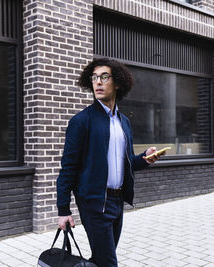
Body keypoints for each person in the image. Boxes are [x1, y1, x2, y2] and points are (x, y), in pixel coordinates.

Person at [56, 58, 165, 267]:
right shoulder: (82, 121)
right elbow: (68, 168)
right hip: (94, 203)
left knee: (101, 258)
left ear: (117, 83)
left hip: (117, 201)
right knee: (108, 262)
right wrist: (63, 210)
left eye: (104, 77)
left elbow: (125, 163)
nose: (98, 82)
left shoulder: (124, 122)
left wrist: (144, 159)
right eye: (94, 78)